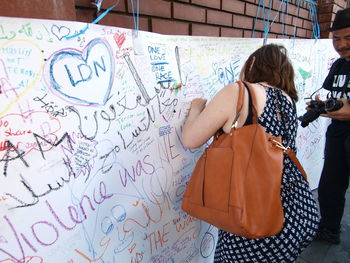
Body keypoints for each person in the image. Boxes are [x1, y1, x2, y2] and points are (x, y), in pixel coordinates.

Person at [182, 44, 319, 263]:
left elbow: (190, 139)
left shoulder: (240, 91)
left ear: (253, 63)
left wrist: (197, 109)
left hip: (256, 217)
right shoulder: (287, 100)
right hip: (297, 212)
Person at [315, 7, 350, 244]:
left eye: (348, 37)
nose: (341, 44)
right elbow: (335, 97)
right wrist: (320, 106)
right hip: (337, 135)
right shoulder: (338, 65)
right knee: (329, 186)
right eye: (336, 38)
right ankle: (329, 230)